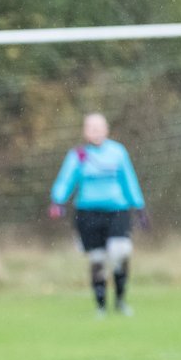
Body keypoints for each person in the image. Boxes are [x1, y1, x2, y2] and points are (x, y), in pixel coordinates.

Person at [49, 113, 148, 316]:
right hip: (88, 214)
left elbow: (128, 179)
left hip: (117, 211)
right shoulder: (79, 155)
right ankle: (101, 306)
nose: (95, 132)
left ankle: (120, 300)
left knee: (120, 252)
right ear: (85, 132)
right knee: (98, 259)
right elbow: (66, 179)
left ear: (107, 129)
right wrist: (57, 200)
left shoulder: (118, 152)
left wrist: (139, 206)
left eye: (99, 127)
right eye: (91, 128)